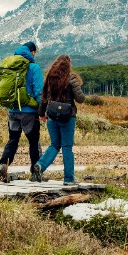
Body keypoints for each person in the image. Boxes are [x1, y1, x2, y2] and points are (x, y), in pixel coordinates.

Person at [0, 41, 43, 182]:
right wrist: (41, 110)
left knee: (13, 139)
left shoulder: (11, 65)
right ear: (32, 52)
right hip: (29, 112)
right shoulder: (33, 67)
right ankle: (36, 172)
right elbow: (39, 91)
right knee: (34, 141)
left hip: (12, 110)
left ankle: (3, 164)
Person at [33, 54, 85, 185]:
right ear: (68, 66)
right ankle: (68, 179)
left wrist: (41, 114)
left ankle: (40, 165)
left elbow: (44, 98)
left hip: (51, 116)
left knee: (54, 145)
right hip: (67, 117)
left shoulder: (50, 78)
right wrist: (75, 85)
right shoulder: (71, 78)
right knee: (67, 147)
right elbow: (81, 99)